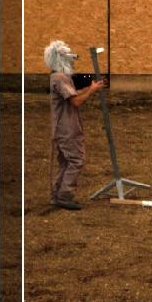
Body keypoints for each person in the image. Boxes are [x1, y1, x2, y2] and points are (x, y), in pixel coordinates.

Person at [45, 40, 105, 210]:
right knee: (76, 160)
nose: (72, 59)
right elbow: (76, 101)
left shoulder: (60, 77)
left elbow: (72, 95)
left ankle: (58, 194)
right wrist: (92, 90)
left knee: (66, 161)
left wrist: (89, 87)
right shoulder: (59, 78)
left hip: (65, 126)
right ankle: (64, 195)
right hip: (66, 128)